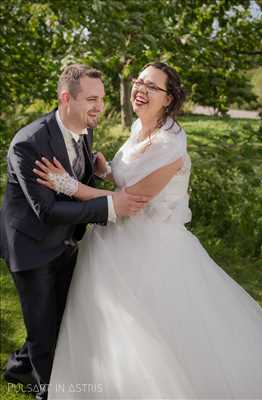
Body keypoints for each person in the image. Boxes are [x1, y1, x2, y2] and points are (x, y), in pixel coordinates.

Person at [34, 62, 262, 399]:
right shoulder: (140, 129)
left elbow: (132, 202)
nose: (140, 89)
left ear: (168, 99)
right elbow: (130, 182)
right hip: (114, 239)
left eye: (151, 86)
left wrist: (71, 186)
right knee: (104, 323)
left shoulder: (170, 145)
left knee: (148, 331)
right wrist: (109, 170)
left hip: (149, 247)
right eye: (138, 82)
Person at [0, 64, 150, 400]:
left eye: (102, 98)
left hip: (67, 241)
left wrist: (95, 179)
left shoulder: (84, 129)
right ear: (66, 98)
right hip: (31, 245)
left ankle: (18, 368)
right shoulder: (29, 144)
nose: (100, 106)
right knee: (43, 332)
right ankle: (46, 392)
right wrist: (111, 208)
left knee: (59, 317)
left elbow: (78, 185)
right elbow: (47, 209)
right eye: (92, 99)